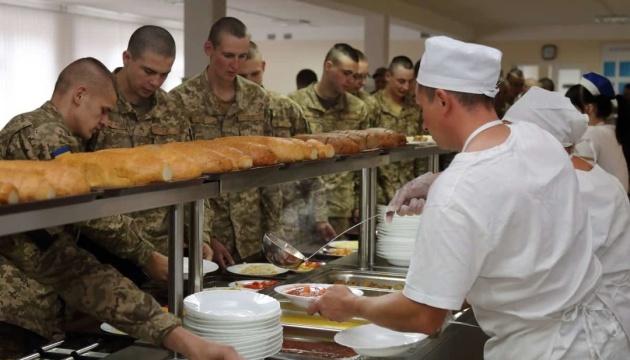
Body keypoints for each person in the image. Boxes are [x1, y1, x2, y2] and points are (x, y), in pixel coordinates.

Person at [309, 36, 627, 359]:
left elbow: (424, 317)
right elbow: (511, 187)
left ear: (443, 101)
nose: (423, 121)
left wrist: (352, 305)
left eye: (422, 106)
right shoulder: (540, 139)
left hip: (541, 349)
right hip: (602, 337)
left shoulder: (460, 189)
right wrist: (441, 181)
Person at [0, 58, 241, 360]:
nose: (106, 121)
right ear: (79, 95)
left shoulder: (65, 139)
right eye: (103, 110)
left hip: (42, 303)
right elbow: (83, 233)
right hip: (16, 310)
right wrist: (145, 254)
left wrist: (177, 336)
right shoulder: (43, 136)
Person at [80, 25, 212, 286]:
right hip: (104, 255)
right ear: (127, 59)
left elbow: (193, 177)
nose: (155, 82)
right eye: (148, 71)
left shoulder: (172, 110)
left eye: (164, 74)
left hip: (164, 255)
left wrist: (200, 236)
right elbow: (80, 189)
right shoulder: (95, 104)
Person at [505, 86, 630, 340]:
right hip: (606, 326)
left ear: (536, 139)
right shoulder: (595, 178)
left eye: (511, 137)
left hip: (579, 335)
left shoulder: (563, 187)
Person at [169, 17, 282, 264]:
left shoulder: (257, 98)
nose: (236, 65)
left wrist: (275, 232)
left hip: (253, 231)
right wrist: (205, 236)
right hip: (208, 236)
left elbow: (269, 166)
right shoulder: (181, 101)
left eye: (242, 57)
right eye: (229, 56)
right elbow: (184, 177)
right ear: (209, 49)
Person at [238, 41, 336, 245]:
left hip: (287, 220)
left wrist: (320, 216)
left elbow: (313, 166)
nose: (250, 83)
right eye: (243, 77)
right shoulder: (230, 113)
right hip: (242, 226)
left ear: (263, 67)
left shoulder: (286, 108)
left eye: (254, 75)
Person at [289, 43, 368, 235]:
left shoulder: (358, 108)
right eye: (346, 73)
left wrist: (360, 203)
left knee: (338, 261)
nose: (350, 80)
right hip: (300, 206)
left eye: (354, 75)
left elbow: (363, 161)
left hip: (340, 206)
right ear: (328, 66)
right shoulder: (294, 103)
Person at [372, 56, 425, 204]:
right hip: (378, 193)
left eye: (410, 81)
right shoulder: (372, 106)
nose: (406, 87)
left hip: (409, 192)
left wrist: (421, 188)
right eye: (401, 81)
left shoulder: (415, 108)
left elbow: (421, 154)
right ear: (388, 76)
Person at [566, 72, 629, 191]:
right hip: (619, 203)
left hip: (605, 206)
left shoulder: (590, 134)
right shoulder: (611, 130)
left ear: (589, 108)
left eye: (572, 108)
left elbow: (577, 179)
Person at [347, 49, 379, 127]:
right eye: (357, 76)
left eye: (365, 76)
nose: (363, 82)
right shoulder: (331, 100)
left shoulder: (370, 103)